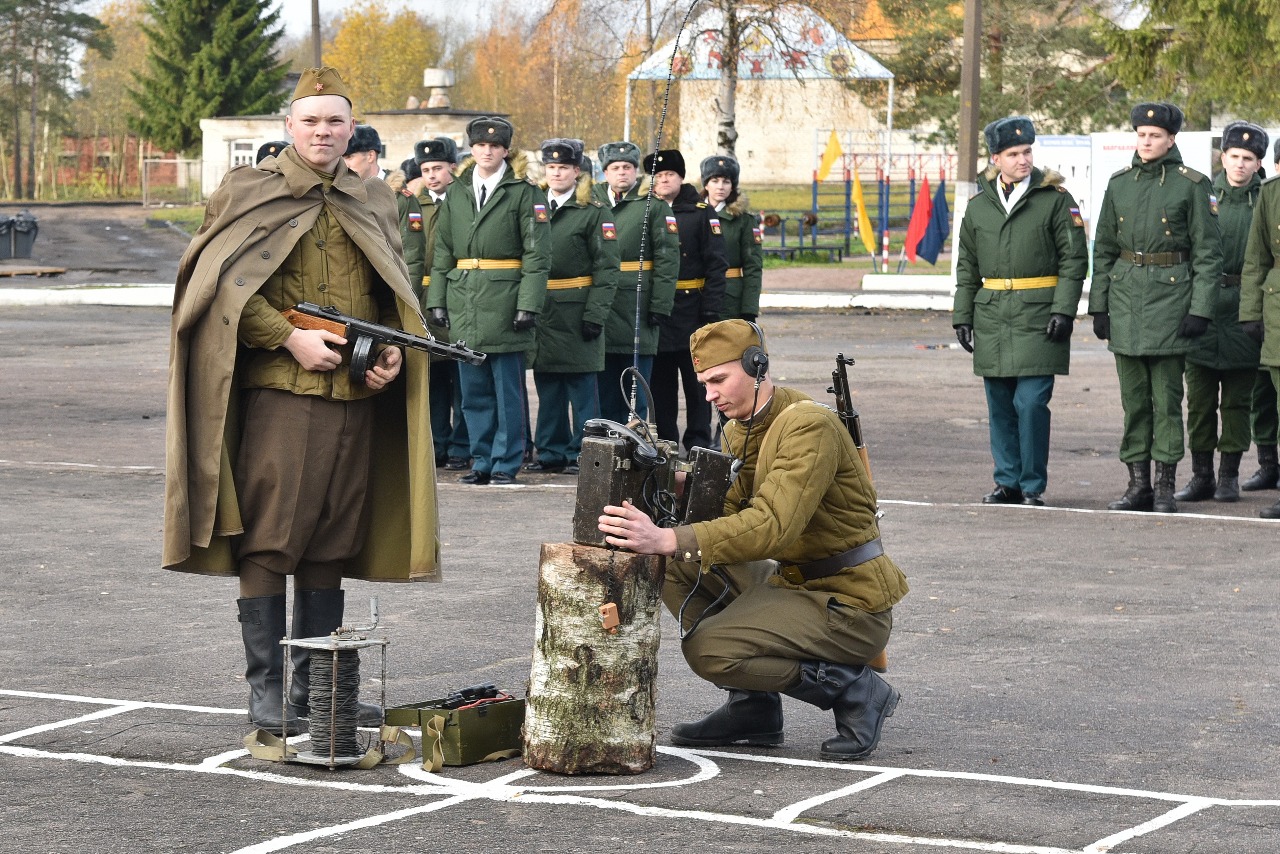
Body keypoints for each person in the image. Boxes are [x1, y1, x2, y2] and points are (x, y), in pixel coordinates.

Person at [162, 67, 437, 736]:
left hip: (352, 398)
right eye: (311, 121)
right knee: (272, 540)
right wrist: (288, 338)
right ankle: (269, 695)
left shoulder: (371, 199)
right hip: (283, 397)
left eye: (335, 121)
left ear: (351, 129)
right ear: (290, 127)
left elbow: (383, 298)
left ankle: (321, 694)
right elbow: (223, 291)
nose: (323, 131)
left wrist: (391, 354)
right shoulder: (249, 191)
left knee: (330, 544)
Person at [597, 320, 908, 761]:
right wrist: (676, 485)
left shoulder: (806, 426)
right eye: (703, 383)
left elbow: (770, 526)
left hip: (847, 601)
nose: (709, 394)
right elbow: (729, 517)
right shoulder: (739, 428)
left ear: (757, 366)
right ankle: (754, 708)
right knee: (679, 563)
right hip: (796, 583)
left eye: (719, 379)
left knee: (708, 649)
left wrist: (666, 537)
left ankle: (856, 690)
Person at [1088, 102, 1222, 513]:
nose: (1146, 142)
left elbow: (1208, 253)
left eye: (1155, 136)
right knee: (1134, 400)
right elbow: (1105, 247)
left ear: (1171, 140)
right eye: (1141, 135)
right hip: (1126, 297)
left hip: (1171, 301)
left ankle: (1165, 486)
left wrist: (1200, 309)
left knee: (1166, 400)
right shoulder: (1119, 183)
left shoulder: (1191, 185)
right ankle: (1137, 486)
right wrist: (1099, 306)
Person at [952, 116, 1088, 506]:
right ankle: (1007, 481)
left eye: (1027, 151)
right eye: (1013, 154)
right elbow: (967, 266)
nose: (1023, 160)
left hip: (1039, 317)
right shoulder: (979, 207)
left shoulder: (1056, 200)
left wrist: (1064, 309)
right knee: (999, 404)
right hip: (992, 315)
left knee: (1030, 403)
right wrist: (962, 316)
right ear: (996, 158)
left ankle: (1031, 485)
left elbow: (1074, 260)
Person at [426, 116, 551, 485]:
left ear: (505, 151)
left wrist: (528, 304)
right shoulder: (458, 193)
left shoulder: (525, 193)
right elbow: (443, 250)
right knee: (473, 392)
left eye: (494, 146)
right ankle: (481, 460)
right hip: (465, 298)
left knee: (507, 391)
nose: (486, 151)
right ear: (472, 149)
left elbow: (537, 255)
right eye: (480, 145)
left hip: (506, 300)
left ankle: (506, 461)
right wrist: (438, 300)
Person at [1175, 122, 1268, 504]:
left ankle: (1229, 475)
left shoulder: (1267, 198)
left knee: (1237, 402)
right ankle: (1201, 476)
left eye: (1248, 159)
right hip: (1204, 306)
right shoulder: (1202, 191)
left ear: (1259, 162)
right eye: (1234, 157)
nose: (1240, 165)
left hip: (1247, 308)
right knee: (1198, 401)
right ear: (1223, 157)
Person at [525, 140, 619, 474]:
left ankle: (587, 454)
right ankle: (550, 452)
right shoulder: (535, 205)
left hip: (578, 309)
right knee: (548, 386)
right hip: (543, 309)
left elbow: (607, 268)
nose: (556, 173)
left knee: (582, 391)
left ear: (576, 171)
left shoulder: (593, 210)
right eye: (550, 167)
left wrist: (595, 314)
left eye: (563, 167)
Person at [592, 141, 679, 424]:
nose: (622, 173)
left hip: (637, 304)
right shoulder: (593, 202)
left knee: (636, 387)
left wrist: (661, 304)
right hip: (601, 303)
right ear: (605, 172)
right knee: (604, 385)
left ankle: (636, 444)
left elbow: (668, 258)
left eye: (627, 167)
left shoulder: (653, 206)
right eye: (615, 168)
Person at [647, 149, 728, 455]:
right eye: (658, 175)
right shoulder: (647, 211)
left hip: (693, 309)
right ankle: (666, 440)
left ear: (681, 178)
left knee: (698, 385)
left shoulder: (701, 212)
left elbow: (717, 265)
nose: (663, 179)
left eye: (669, 174)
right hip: (659, 312)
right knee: (661, 384)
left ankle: (697, 440)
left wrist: (710, 308)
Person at [415, 137, 470, 471]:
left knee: (462, 378)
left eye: (437, 168)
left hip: (460, 293)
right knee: (433, 379)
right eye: (425, 170)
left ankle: (463, 445)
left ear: (452, 166)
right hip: (423, 299)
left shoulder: (466, 200)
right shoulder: (410, 203)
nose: (431, 175)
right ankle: (437, 443)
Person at [1238, 134, 1280, 518]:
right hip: (1276, 310)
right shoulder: (1271, 194)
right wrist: (1251, 313)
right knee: (1267, 395)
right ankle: (1271, 466)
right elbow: (1257, 259)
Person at [700, 155, 763, 322]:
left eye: (726, 181)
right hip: (694, 294)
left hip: (729, 298)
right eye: (715, 180)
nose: (720, 187)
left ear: (732, 186)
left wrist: (749, 309)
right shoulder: (693, 214)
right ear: (706, 184)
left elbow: (753, 267)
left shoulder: (743, 220)